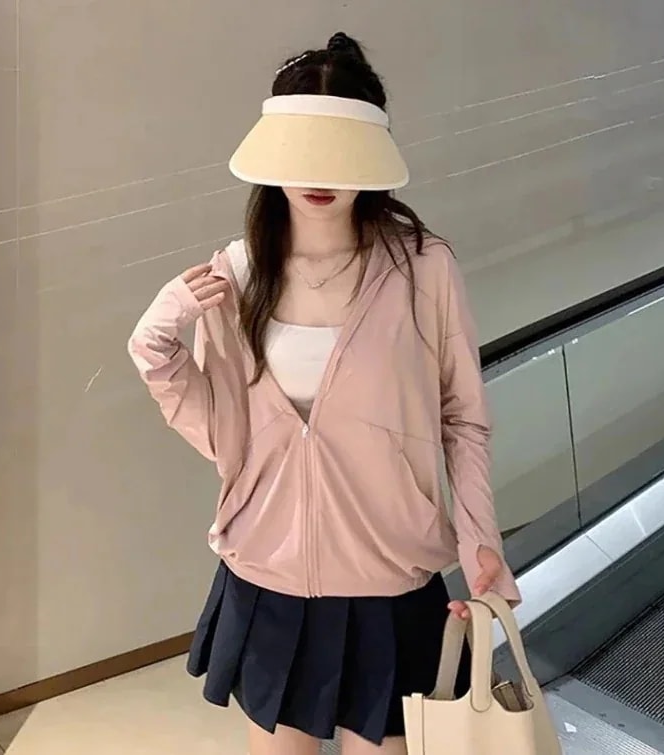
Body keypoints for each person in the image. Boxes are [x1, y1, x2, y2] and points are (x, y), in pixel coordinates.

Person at [128, 32, 520, 755]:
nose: (320, 176)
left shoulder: (422, 268)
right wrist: (154, 339)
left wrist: (480, 541)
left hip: (389, 577)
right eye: (304, 150)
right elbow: (225, 437)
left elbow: (462, 418)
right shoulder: (236, 274)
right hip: (268, 573)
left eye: (341, 153)